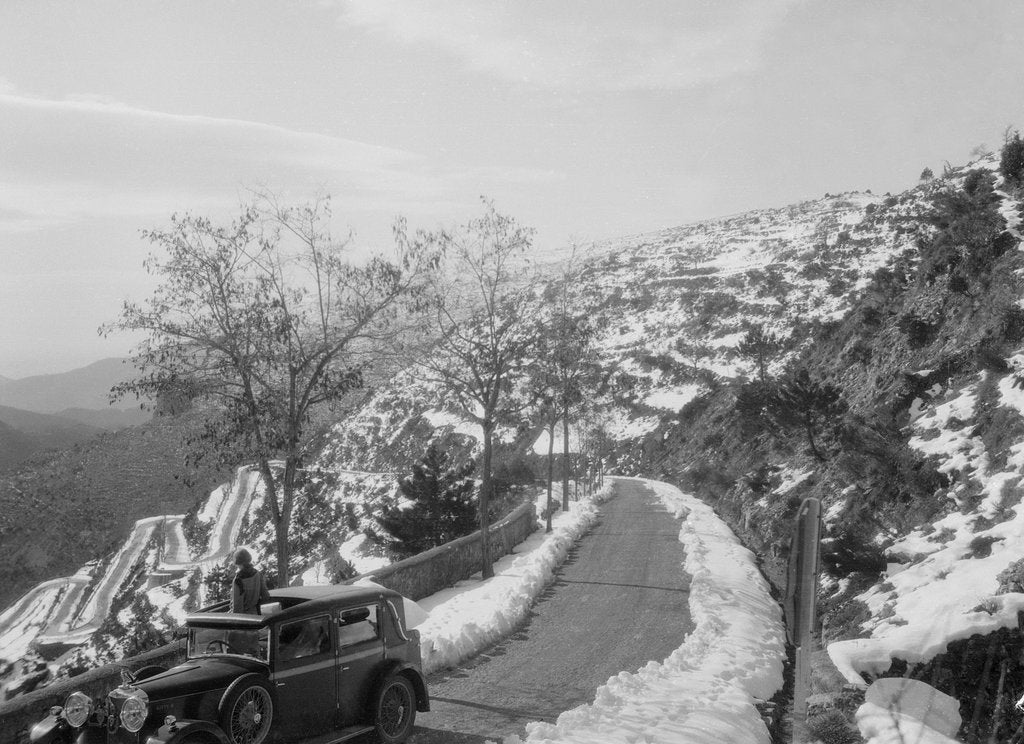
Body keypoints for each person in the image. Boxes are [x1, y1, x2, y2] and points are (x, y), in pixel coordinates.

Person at [230, 548, 271, 615]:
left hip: (244, 619)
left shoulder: (238, 580)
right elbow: (265, 596)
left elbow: (237, 608)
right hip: (255, 615)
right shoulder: (258, 574)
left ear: (237, 562)